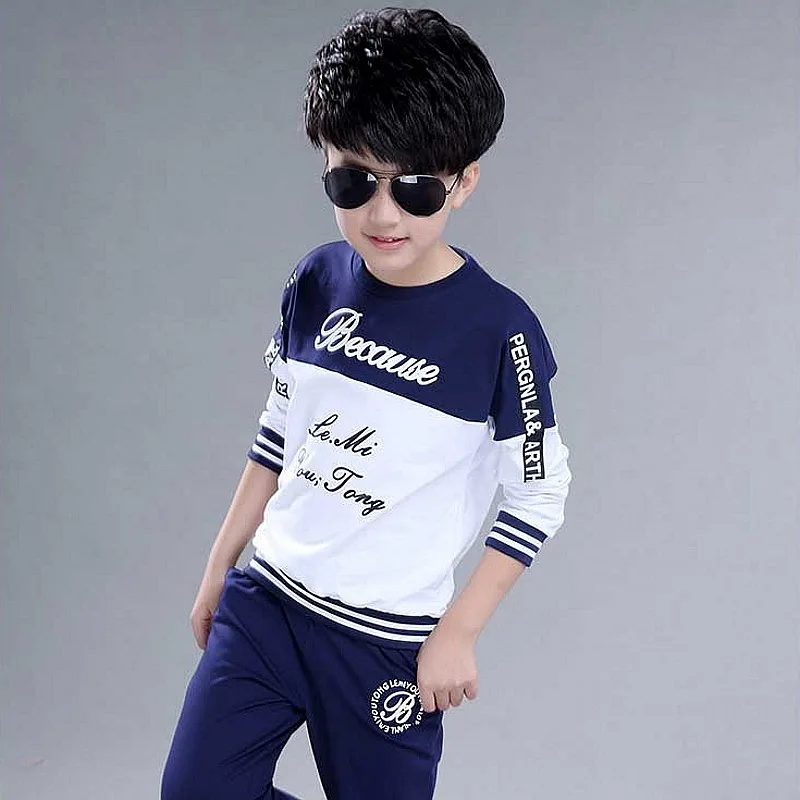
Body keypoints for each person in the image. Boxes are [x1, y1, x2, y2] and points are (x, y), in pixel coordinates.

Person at [160, 7, 571, 799]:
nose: (382, 214)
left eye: (415, 188)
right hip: (268, 604)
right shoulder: (315, 281)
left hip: (385, 644)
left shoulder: (501, 332)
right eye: (354, 180)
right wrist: (219, 568)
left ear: (464, 181)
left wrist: (459, 632)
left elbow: (538, 494)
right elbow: (278, 434)